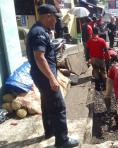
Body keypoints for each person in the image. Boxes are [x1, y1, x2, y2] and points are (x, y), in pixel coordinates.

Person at [26, 4, 78, 147]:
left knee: (46, 103)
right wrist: (52, 78)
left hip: (40, 75)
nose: (56, 21)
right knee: (58, 107)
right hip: (44, 77)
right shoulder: (39, 33)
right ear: (48, 16)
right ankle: (62, 141)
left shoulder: (38, 30)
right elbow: (39, 57)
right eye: (55, 18)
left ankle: (50, 131)